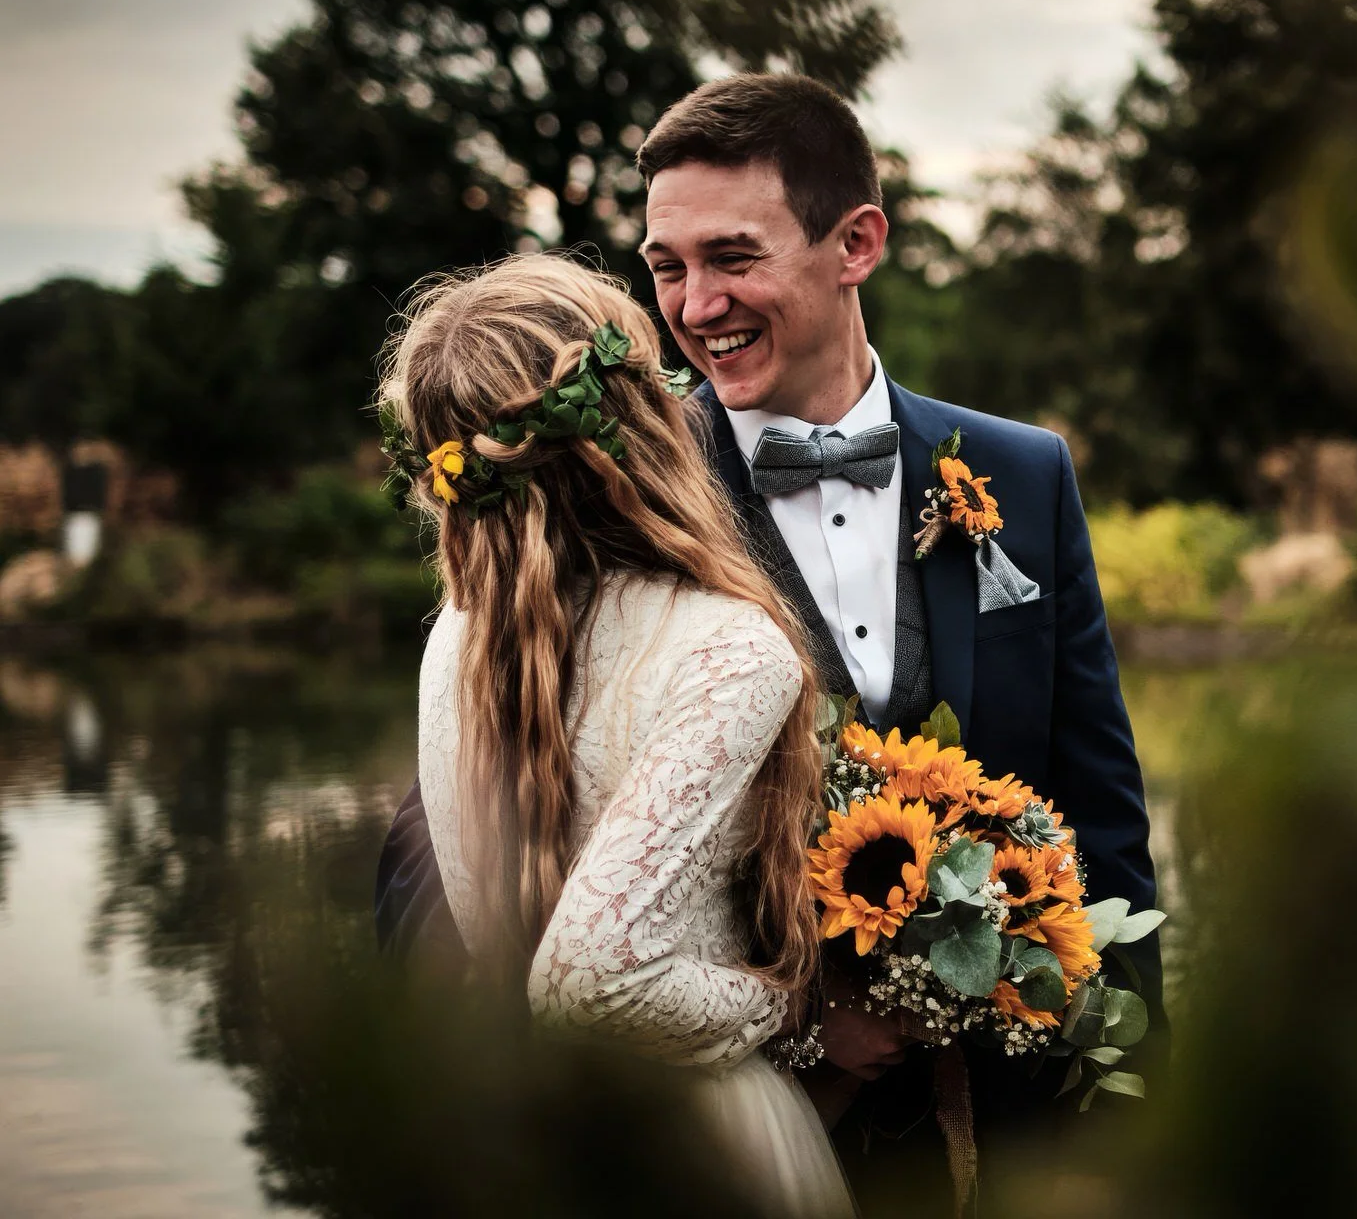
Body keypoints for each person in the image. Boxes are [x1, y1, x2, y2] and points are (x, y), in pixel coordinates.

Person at [375, 72, 1161, 1205]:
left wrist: (1134, 1106)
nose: (694, 307)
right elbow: (441, 845)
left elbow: (1104, 815)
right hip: (727, 1139)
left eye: (732, 257)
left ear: (857, 242)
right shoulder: (605, 485)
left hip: (1006, 1124)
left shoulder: (1021, 471)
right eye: (665, 266)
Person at [379, 253, 855, 1219]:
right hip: (697, 1142)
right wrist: (784, 1002)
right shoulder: (728, 648)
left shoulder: (459, 637)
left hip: (533, 1136)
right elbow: (589, 983)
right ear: (639, 420)